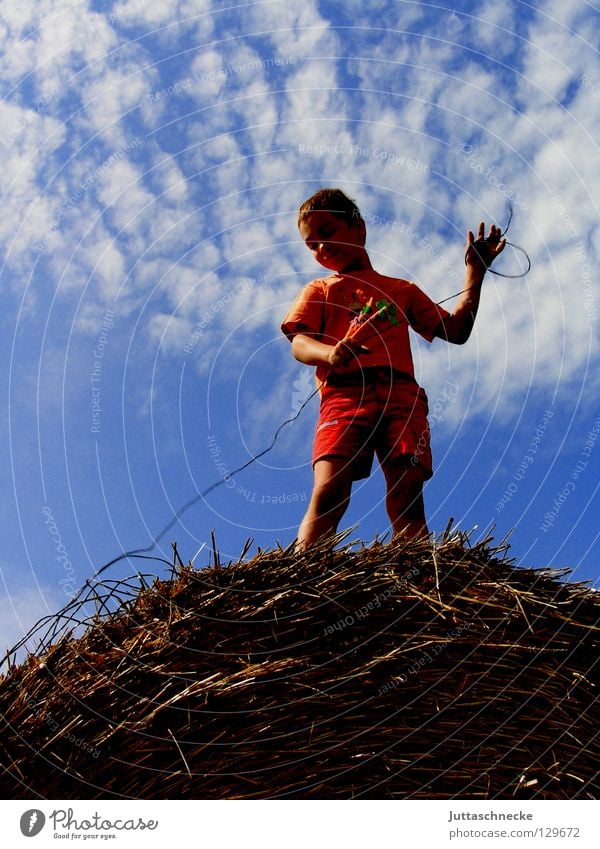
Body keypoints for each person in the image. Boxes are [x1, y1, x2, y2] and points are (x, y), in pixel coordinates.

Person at [281, 188, 505, 547]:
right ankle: (303, 567)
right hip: (345, 394)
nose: (321, 247)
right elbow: (299, 342)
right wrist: (329, 354)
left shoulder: (402, 290)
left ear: (358, 228)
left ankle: (417, 571)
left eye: (328, 231)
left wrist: (474, 274)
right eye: (312, 244)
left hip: (401, 396)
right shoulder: (320, 289)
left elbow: (456, 331)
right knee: (329, 489)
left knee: (408, 492)